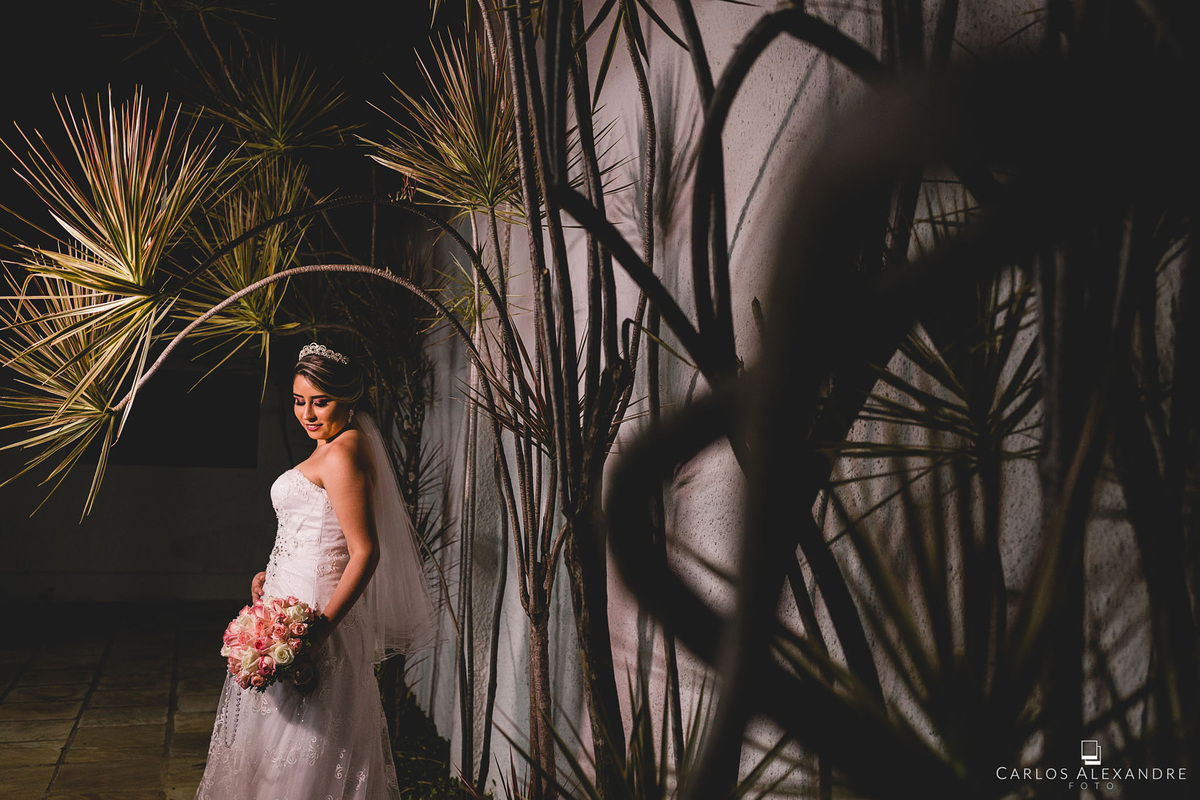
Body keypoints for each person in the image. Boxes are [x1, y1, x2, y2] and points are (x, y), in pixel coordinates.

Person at [197, 342, 437, 800]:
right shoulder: (331, 446)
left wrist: (319, 633)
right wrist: (271, 575)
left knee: (303, 746)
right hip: (287, 606)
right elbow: (316, 534)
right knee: (275, 743)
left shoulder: (343, 452)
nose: (307, 413)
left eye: (320, 401)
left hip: (314, 620)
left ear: (349, 400)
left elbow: (364, 552)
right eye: (298, 400)